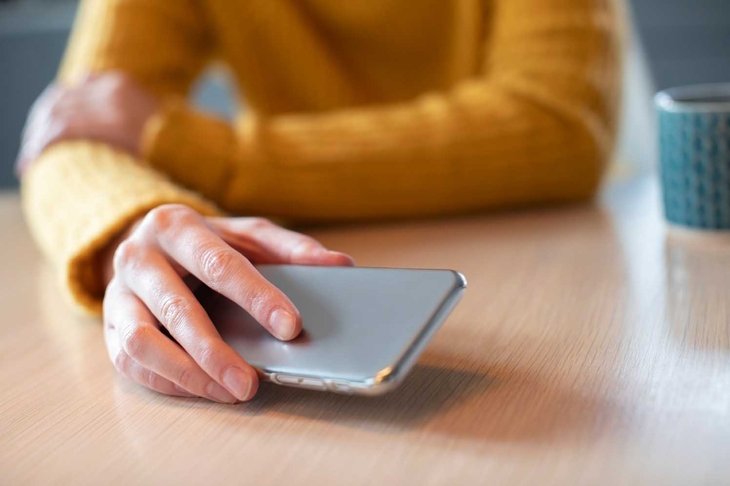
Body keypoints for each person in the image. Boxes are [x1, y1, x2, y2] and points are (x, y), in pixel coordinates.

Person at [18, 0, 622, 403]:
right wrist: (136, 227)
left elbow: (558, 124)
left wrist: (205, 151)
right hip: (296, 274)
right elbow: (74, 127)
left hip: (564, 284)